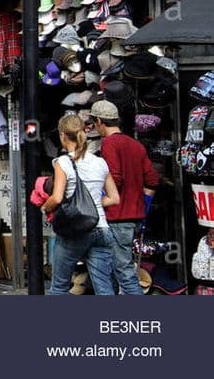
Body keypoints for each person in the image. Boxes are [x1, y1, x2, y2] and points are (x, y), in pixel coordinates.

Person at [42, 113, 120, 295]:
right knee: (105, 289)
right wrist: (92, 205)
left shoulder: (63, 162)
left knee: (59, 287)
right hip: (102, 228)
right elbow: (114, 198)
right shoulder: (100, 162)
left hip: (76, 231)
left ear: (62, 135)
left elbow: (57, 197)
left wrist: (45, 206)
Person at [90, 99, 158, 295]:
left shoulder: (109, 143)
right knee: (118, 269)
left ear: (100, 122)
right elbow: (152, 180)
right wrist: (142, 206)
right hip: (133, 217)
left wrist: (99, 197)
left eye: (95, 123)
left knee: (121, 271)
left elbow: (116, 178)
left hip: (116, 216)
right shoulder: (135, 144)